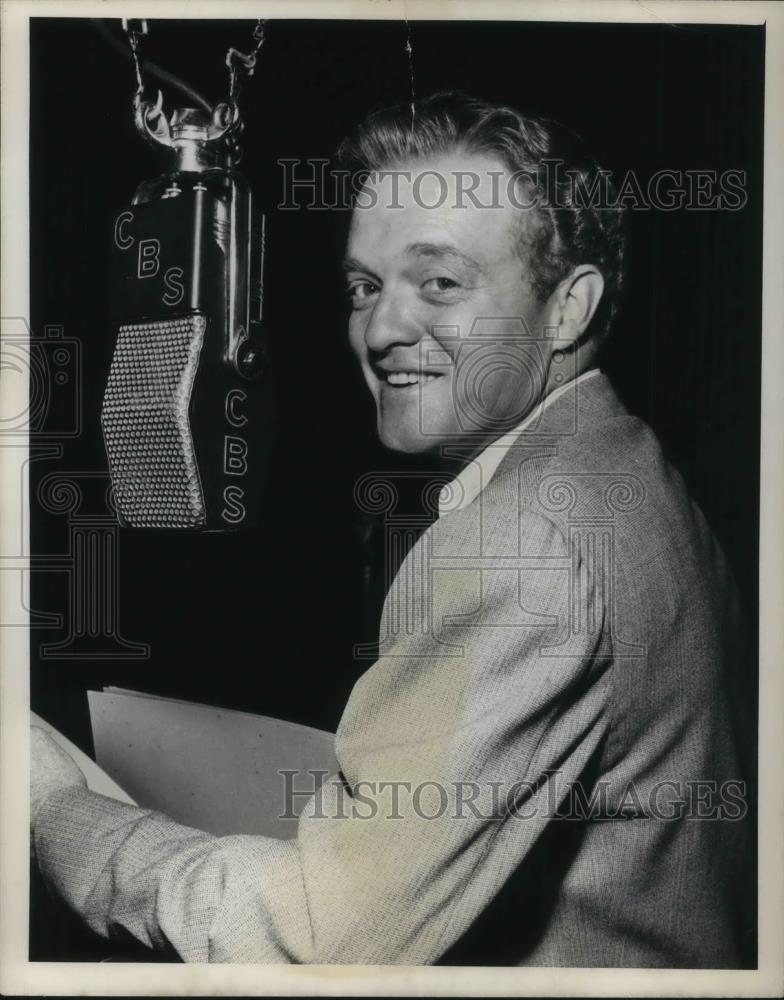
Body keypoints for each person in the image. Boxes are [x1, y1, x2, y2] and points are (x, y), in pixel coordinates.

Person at [30, 93, 752, 966]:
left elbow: (314, 942)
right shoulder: (626, 464)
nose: (382, 328)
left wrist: (51, 810)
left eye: (439, 282)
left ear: (569, 309)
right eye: (364, 287)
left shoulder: (524, 546)